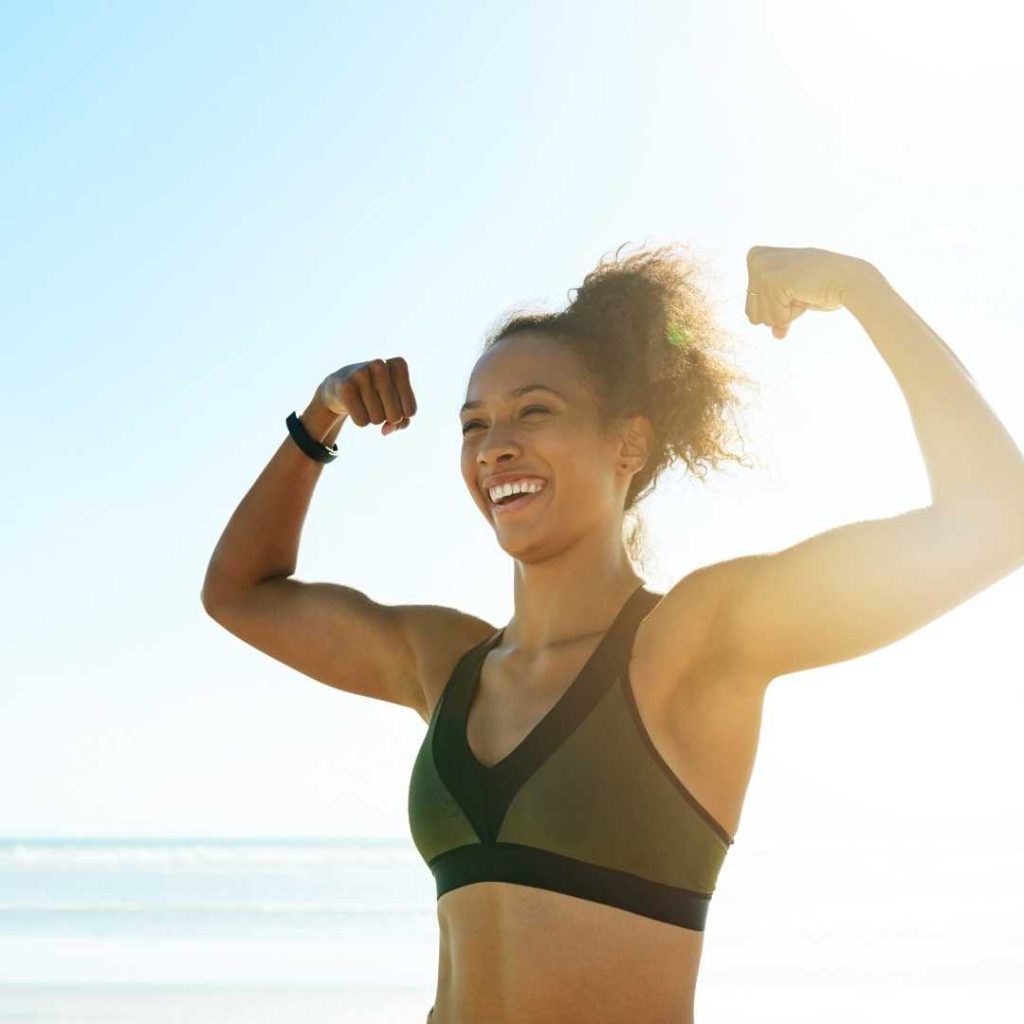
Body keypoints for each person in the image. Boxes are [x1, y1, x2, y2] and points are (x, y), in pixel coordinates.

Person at [201, 242, 1024, 1023]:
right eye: (474, 425)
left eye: (535, 411)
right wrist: (322, 416)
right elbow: (239, 594)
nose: (496, 447)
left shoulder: (692, 643)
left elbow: (996, 521)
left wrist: (860, 286)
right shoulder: (445, 663)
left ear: (627, 443)